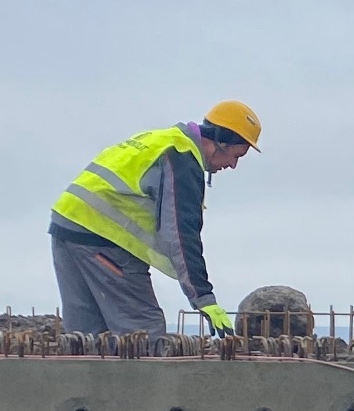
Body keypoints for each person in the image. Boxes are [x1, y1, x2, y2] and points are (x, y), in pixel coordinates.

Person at [49, 101, 262, 336]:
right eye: (236, 155)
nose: (233, 165)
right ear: (221, 141)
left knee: (87, 336)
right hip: (103, 238)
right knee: (143, 333)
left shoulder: (159, 140)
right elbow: (180, 234)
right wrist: (203, 297)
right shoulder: (182, 158)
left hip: (65, 225)